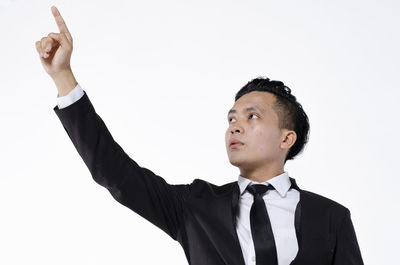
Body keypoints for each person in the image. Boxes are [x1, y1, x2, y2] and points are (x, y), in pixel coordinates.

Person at [35, 6, 364, 265]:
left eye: (252, 117)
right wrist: (63, 77)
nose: (234, 126)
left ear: (286, 139)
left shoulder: (332, 218)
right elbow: (115, 174)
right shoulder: (194, 207)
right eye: (231, 118)